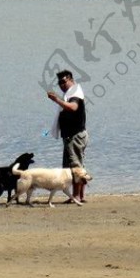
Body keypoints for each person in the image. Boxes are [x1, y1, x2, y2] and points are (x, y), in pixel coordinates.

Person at [47, 70, 88, 202]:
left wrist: (56, 100)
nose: (62, 85)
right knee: (73, 166)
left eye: (64, 81)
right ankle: (79, 195)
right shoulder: (71, 93)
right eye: (59, 83)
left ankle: (77, 196)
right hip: (71, 136)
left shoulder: (75, 93)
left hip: (75, 136)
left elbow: (73, 107)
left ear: (71, 79)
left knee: (75, 167)